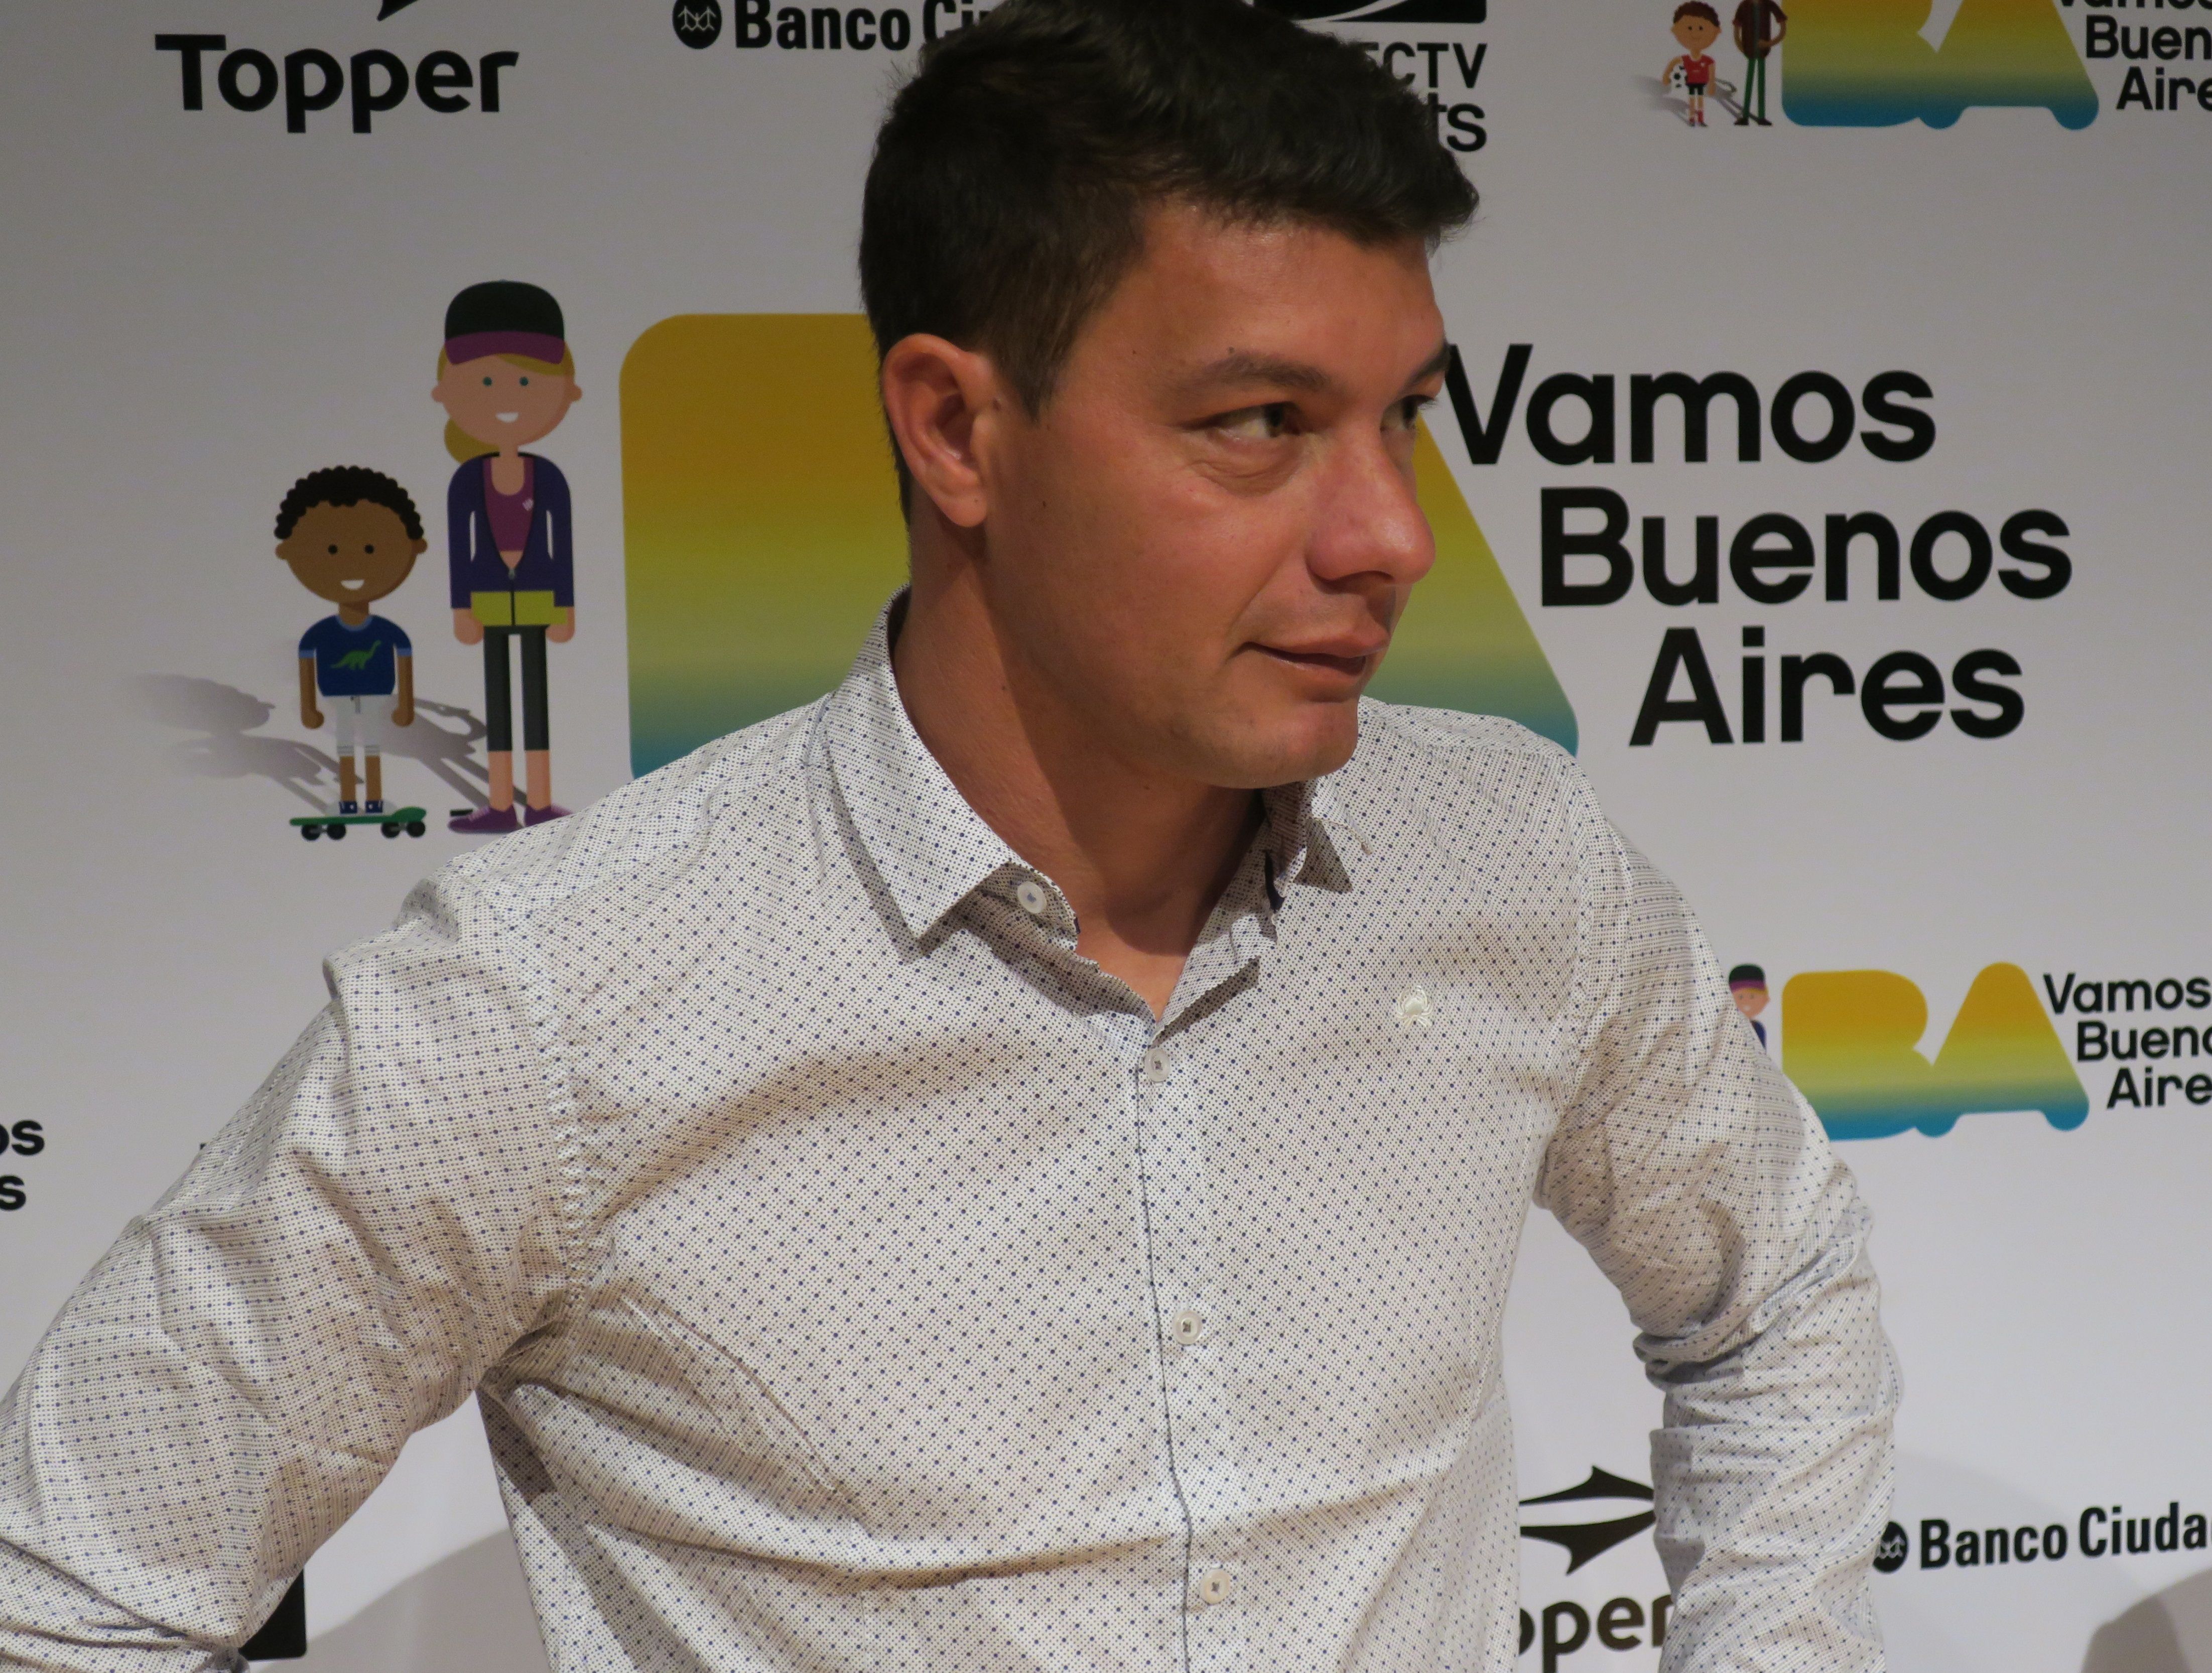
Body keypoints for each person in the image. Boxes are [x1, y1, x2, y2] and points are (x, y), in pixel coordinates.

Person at [0, 3, 1895, 1669]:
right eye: (1258, 423)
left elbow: (1779, 1293)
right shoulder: (549, 999)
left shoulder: (1502, 855)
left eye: (1403, 418)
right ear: (956, 432)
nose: (1387, 534)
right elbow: (67, 1589)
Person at [433, 279, 581, 834]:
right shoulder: (467, 480)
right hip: (489, 597)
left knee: (535, 703)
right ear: (444, 392)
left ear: (567, 391)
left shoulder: (552, 478)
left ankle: (539, 802)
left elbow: (559, 544)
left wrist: (565, 606)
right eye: (486, 381)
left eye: (525, 382)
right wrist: (459, 608)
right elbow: (459, 544)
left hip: (539, 595)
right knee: (499, 707)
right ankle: (500, 804)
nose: (507, 397)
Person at [276, 466, 425, 814]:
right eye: (331, 550)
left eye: (371, 548)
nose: (352, 565)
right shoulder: (321, 634)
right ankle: (347, 801)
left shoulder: (387, 632)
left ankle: (372, 800)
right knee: (347, 744)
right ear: (289, 551)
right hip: (339, 693)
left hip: (374, 692)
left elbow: (403, 660)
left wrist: (406, 704)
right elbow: (306, 662)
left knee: (370, 745)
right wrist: (308, 706)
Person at [1663, 1, 1722, 127]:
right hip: (1691, 82)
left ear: (1716, 31)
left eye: (1701, 28)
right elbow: (1673, 63)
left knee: (1700, 100)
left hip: (1701, 83)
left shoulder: (1708, 60)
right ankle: (1691, 119)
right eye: (1689, 28)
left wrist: (1711, 85)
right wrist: (1666, 75)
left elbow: (1711, 73)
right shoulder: (1686, 59)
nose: (1695, 34)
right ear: (1675, 30)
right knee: (1692, 100)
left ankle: (1700, 119)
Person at [1731, 0, 1787, 125]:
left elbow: (1783, 27)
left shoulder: (1769, 4)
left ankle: (1761, 117)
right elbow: (1737, 29)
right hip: (1750, 50)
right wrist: (1741, 46)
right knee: (1749, 83)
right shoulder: (1744, 6)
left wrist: (1769, 43)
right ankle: (1745, 116)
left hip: (1762, 51)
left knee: (1761, 83)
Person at [1730, 961, 1772, 1044]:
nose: (1746, 1002)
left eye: (1752, 997)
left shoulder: (1759, 1029)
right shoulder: (1729, 1028)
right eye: (1741, 997)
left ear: (1765, 999)